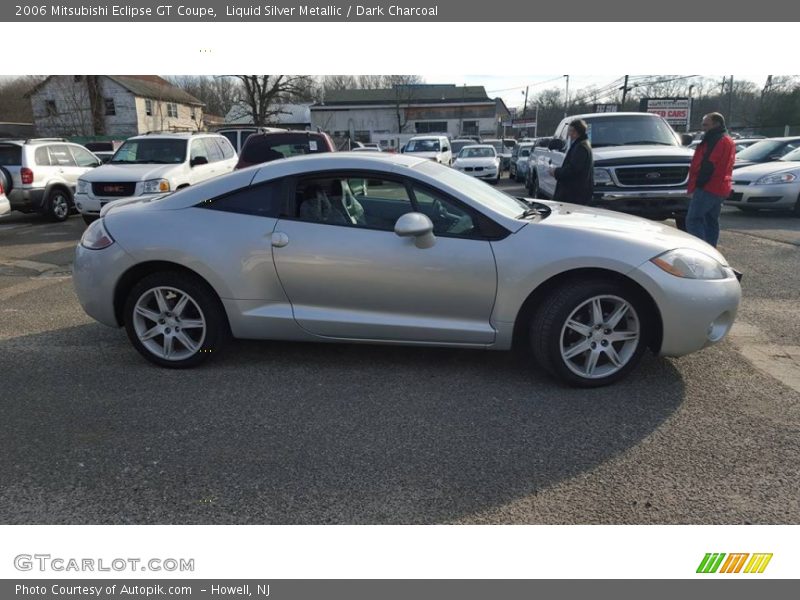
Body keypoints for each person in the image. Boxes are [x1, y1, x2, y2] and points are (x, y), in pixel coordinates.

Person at [685, 112, 736, 247]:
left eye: (706, 124)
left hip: (709, 187)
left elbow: (708, 164)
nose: (703, 128)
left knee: (693, 219)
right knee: (711, 220)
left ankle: (701, 249)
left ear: (716, 124)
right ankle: (711, 248)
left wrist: (698, 185)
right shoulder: (727, 140)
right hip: (721, 187)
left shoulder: (716, 140)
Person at [548, 119, 593, 205]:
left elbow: (573, 170)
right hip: (576, 194)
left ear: (575, 132)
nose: (569, 134)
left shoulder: (581, 147)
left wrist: (556, 172)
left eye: (570, 131)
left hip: (574, 195)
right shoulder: (582, 144)